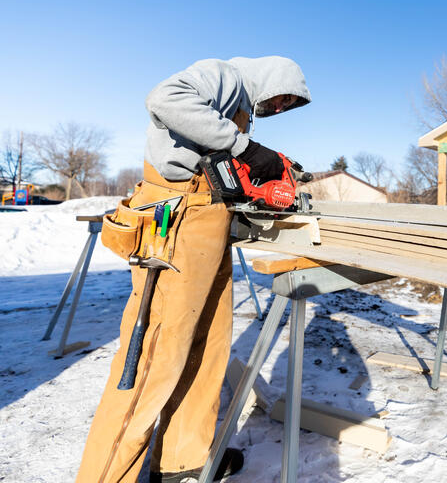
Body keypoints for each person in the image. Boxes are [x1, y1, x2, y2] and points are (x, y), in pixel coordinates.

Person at [77, 56, 311, 483]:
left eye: (287, 108)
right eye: (283, 99)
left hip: (209, 221)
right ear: (273, 78)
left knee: (206, 346)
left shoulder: (238, 107)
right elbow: (164, 98)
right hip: (178, 217)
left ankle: (181, 461)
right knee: (154, 358)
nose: (279, 108)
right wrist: (245, 148)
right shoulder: (225, 75)